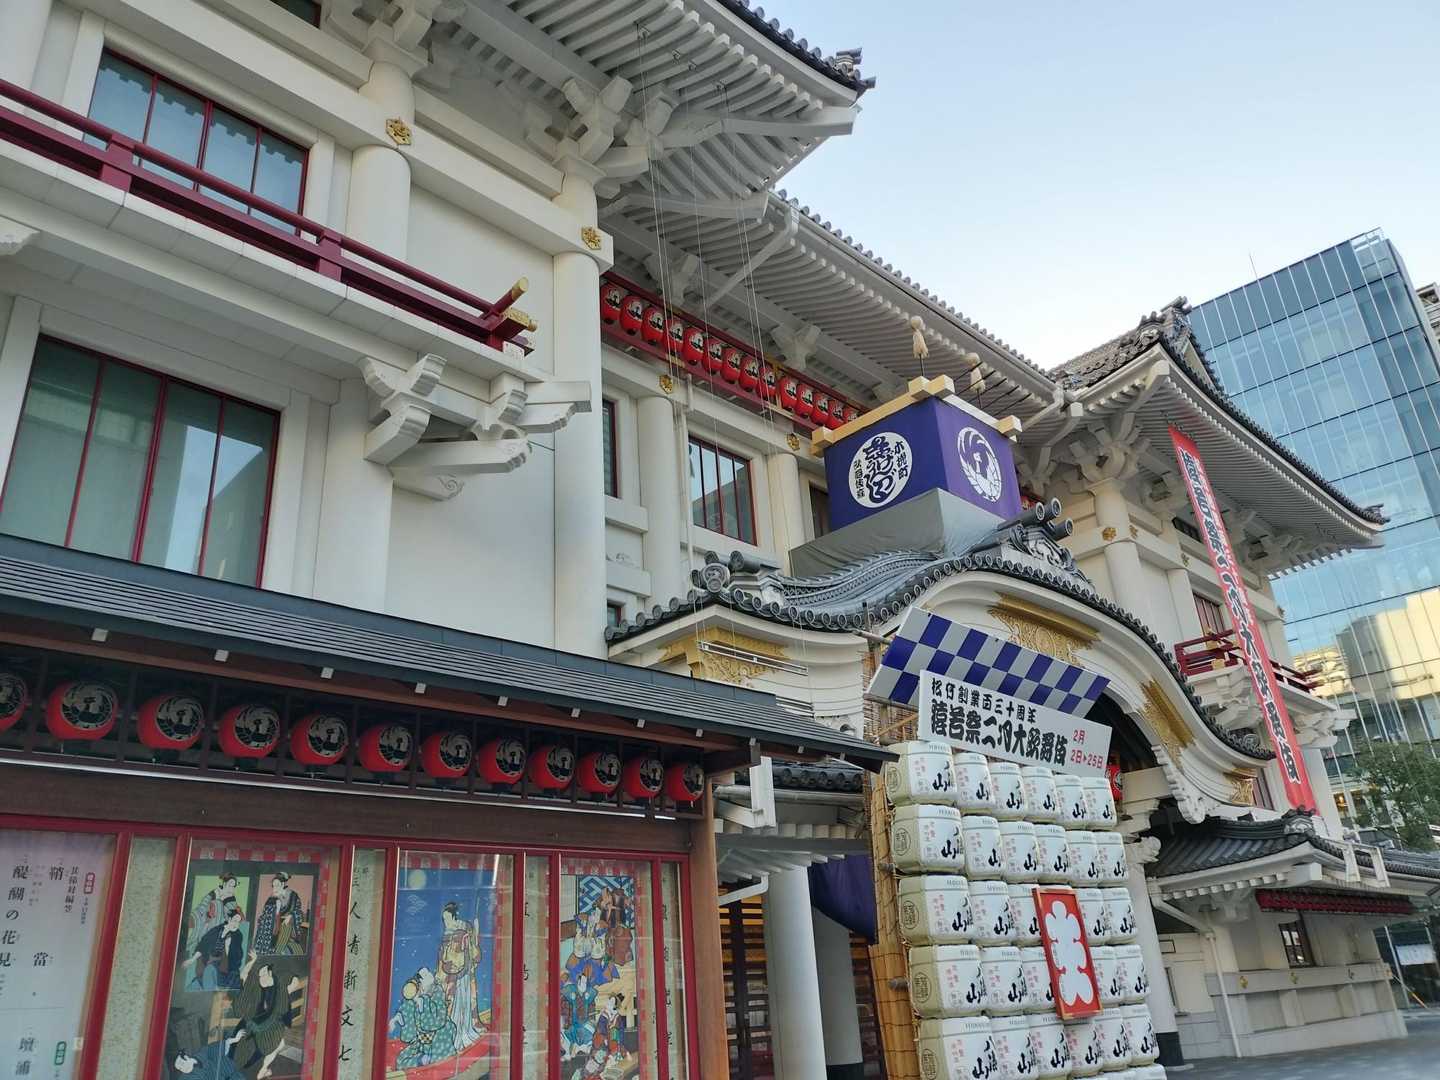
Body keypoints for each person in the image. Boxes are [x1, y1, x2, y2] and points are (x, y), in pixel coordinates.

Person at [230, 955, 302, 1080]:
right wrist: (252, 962)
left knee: (279, 1043)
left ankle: (262, 1069)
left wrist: (286, 991)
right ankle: (258, 1071)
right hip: (252, 1025)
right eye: (259, 975)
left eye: (264, 973)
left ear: (270, 972)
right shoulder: (254, 986)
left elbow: (295, 980)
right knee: (243, 1055)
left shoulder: (278, 985)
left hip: (270, 1025)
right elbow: (243, 974)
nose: (261, 977)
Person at [390, 967, 459, 1069]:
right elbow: (410, 1031)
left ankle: (430, 1060)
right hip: (421, 1042)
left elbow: (438, 1021)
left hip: (440, 1036)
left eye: (426, 975)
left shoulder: (437, 993)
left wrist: (423, 1004)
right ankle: (421, 1059)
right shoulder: (415, 997)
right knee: (401, 1060)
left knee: (439, 1060)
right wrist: (400, 1019)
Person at [435, 901, 482, 1050]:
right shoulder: (447, 934)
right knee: (450, 1002)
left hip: (463, 973)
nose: (446, 922)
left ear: (454, 917)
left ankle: (462, 1030)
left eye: (448, 918)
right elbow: (443, 956)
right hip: (450, 975)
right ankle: (450, 1031)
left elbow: (472, 948)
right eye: (444, 919)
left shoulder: (464, 929)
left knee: (463, 1001)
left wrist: (475, 934)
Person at [186, 908, 247, 990]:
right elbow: (203, 944)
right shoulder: (217, 930)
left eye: (238, 922)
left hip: (225, 970)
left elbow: (237, 958)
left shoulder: (237, 935)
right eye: (235, 921)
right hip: (208, 965)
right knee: (192, 986)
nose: (236, 924)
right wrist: (192, 959)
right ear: (229, 919)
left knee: (210, 970)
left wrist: (227, 947)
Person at [253, 873, 305, 956]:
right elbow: (266, 912)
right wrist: (276, 909)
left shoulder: (292, 895)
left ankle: (277, 950)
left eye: (277, 885)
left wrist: (291, 915)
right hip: (275, 925)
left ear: (283, 884)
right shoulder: (272, 898)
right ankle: (269, 949)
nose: (275, 888)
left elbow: (298, 910)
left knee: (286, 925)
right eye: (273, 886)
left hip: (289, 925)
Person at [188, 874, 240, 955]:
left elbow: (231, 913)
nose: (231, 888)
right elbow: (203, 904)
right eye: (230, 885)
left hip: (222, 922)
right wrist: (208, 912)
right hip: (207, 918)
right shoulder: (216, 891)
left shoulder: (232, 898)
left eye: (233, 886)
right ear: (224, 884)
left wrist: (223, 901)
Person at [170, 1030, 247, 1080]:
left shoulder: (203, 1053)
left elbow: (220, 1048)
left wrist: (234, 1039)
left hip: (234, 1076)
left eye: (181, 1063)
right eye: (179, 1068)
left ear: (186, 1057)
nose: (182, 1068)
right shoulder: (186, 1078)